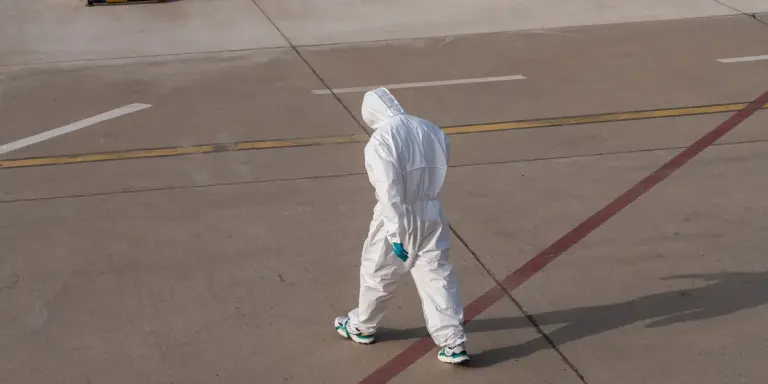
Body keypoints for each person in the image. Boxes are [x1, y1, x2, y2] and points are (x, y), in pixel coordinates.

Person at [333, 87, 469, 364]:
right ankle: (453, 342)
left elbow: (388, 192)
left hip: (398, 218)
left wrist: (395, 233)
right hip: (431, 211)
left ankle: (363, 325)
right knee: (437, 276)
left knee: (378, 272)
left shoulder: (381, 140)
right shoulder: (430, 129)